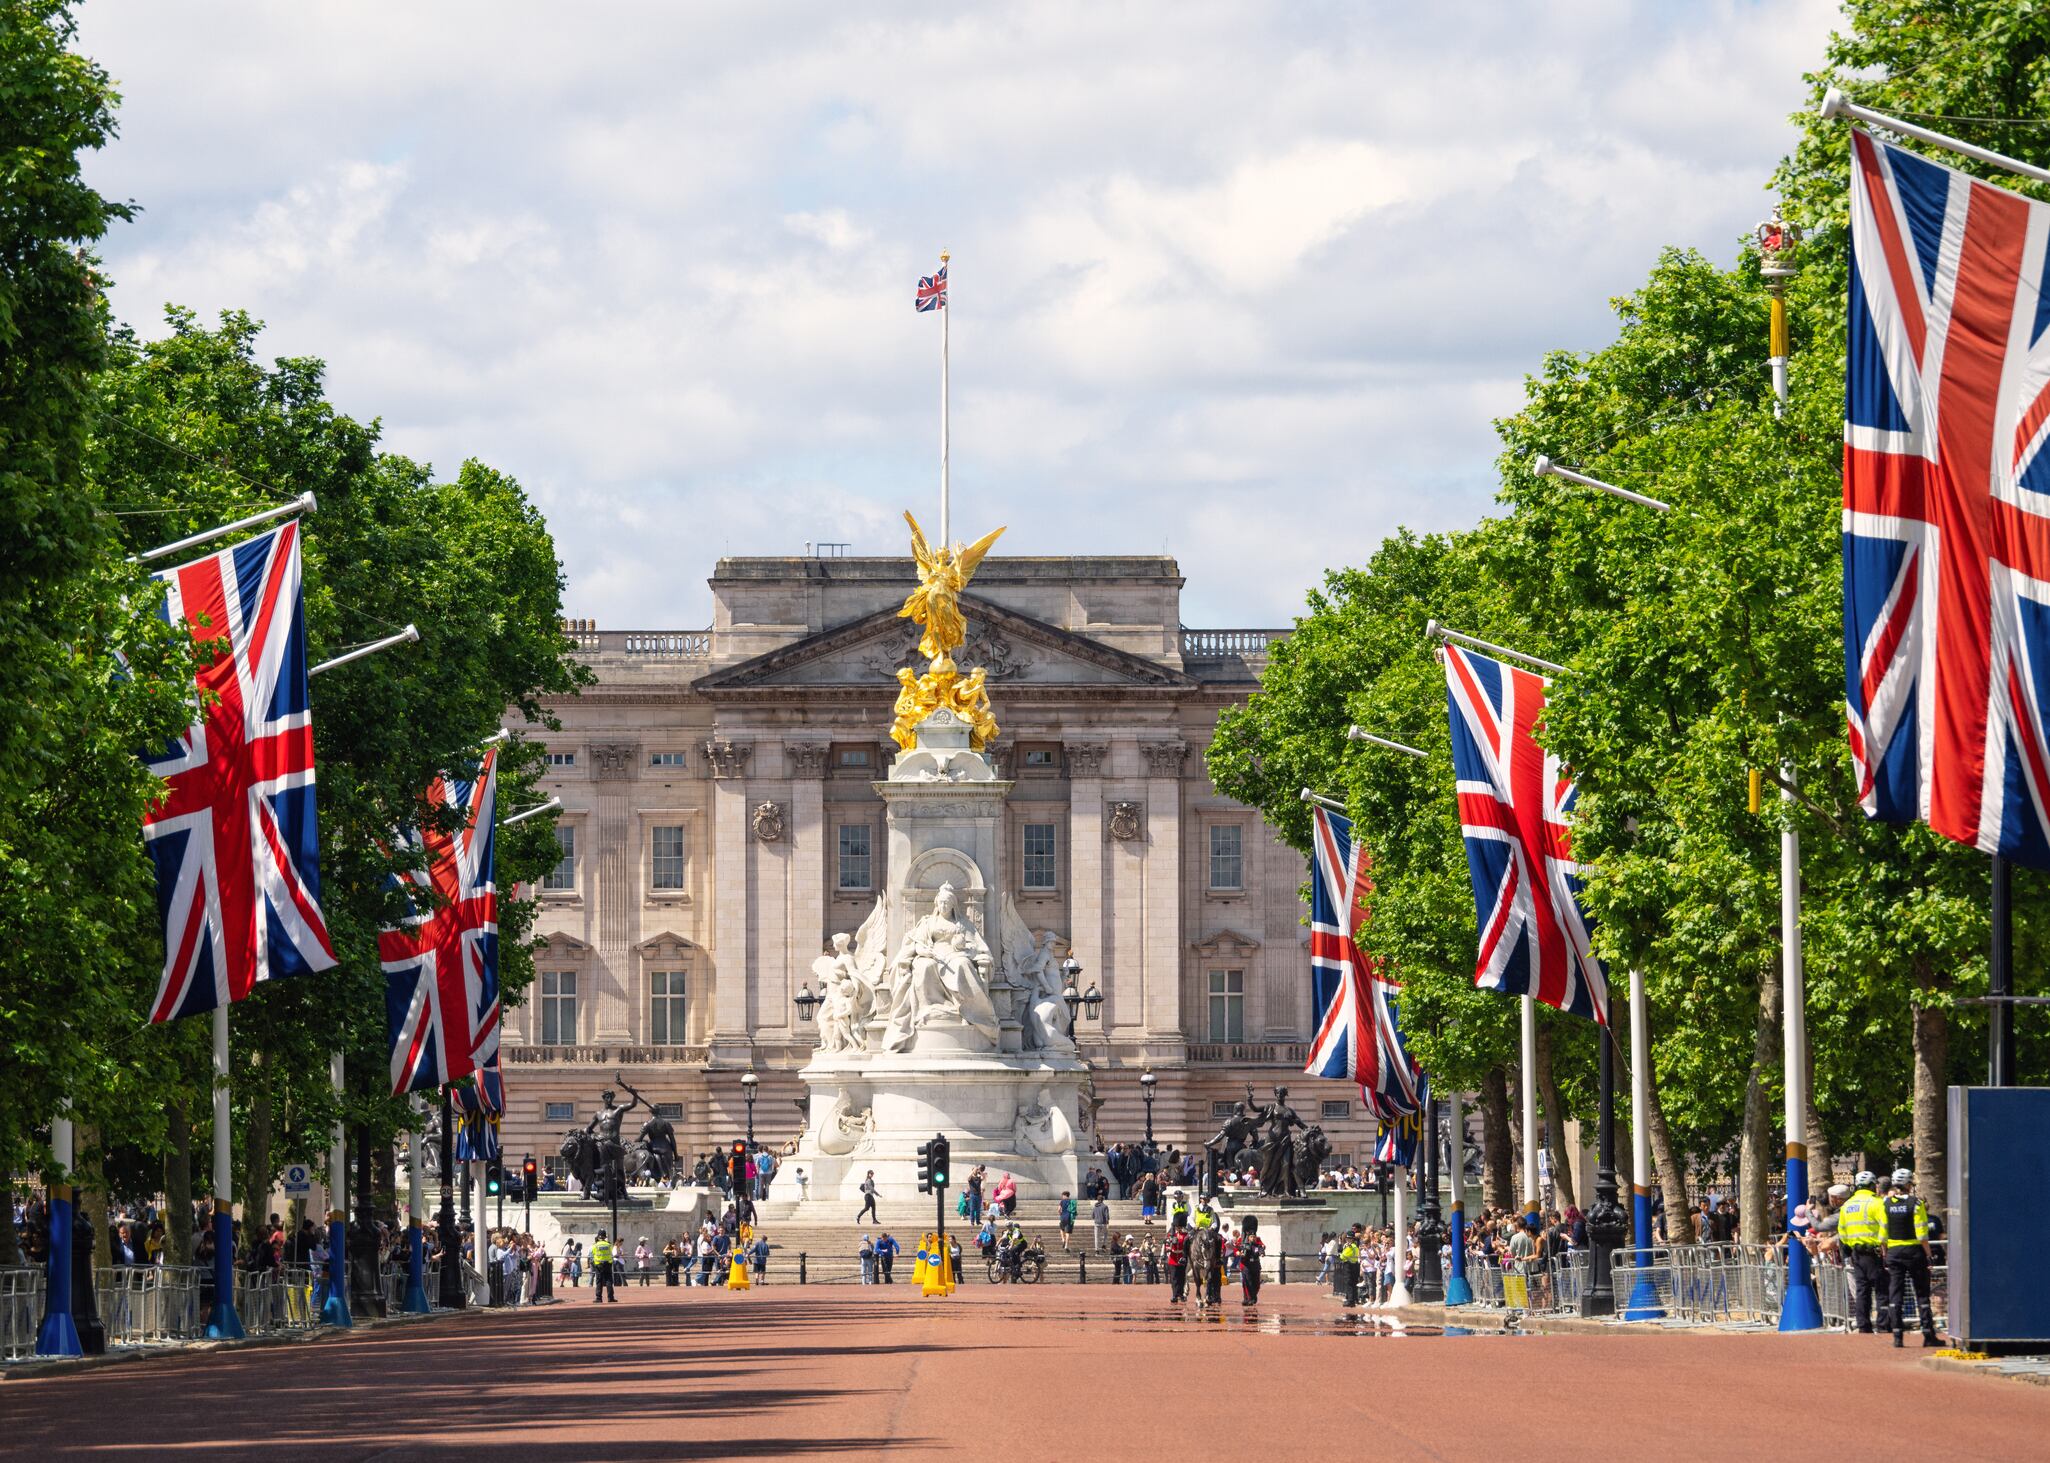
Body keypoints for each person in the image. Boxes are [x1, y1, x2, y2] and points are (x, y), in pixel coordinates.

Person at [1882, 1168, 1940, 1348]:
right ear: (1908, 1184)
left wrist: (1884, 1253)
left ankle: (1897, 1336)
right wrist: (1929, 1255)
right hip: (1914, 1252)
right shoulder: (1916, 1204)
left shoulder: (1886, 1204)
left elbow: (1882, 1234)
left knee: (1895, 1293)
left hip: (1893, 1252)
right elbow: (1922, 1234)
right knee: (1922, 1294)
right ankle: (1928, 1335)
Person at [1839, 1170, 1888, 1334]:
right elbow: (1885, 1227)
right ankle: (1883, 1325)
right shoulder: (1877, 1203)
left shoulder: (1847, 1206)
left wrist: (1851, 1246)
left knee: (1862, 1290)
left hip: (1856, 1254)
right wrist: (1884, 1247)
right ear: (1872, 1185)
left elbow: (1842, 1232)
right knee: (1881, 1290)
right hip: (1875, 1253)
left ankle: (1864, 1326)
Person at [1238, 1215, 1266, 1305]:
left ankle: (1252, 1296)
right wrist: (1238, 1253)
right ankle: (1248, 1298)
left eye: (1254, 1236)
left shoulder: (1257, 1240)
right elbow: (1236, 1248)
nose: (1253, 1238)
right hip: (1245, 1264)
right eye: (1251, 1236)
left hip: (1255, 1265)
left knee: (1256, 1284)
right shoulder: (1241, 1240)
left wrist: (1262, 1251)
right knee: (1247, 1283)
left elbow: (1261, 1246)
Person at [1164, 1215, 1189, 1302]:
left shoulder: (1185, 1235)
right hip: (1173, 1259)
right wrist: (1171, 1245)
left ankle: (1181, 1294)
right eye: (1177, 1227)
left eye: (1180, 1227)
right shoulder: (1170, 1235)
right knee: (1174, 1278)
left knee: (1181, 1278)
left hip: (1182, 1259)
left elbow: (1187, 1247)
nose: (1178, 1228)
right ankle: (1174, 1295)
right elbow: (1167, 1246)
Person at [590, 1231, 617, 1303]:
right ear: (605, 1237)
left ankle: (598, 1298)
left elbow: (592, 1253)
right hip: (607, 1264)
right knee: (609, 1281)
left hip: (598, 1265)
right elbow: (612, 1253)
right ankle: (610, 1298)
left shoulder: (595, 1245)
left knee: (599, 1281)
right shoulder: (609, 1245)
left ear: (598, 1237)